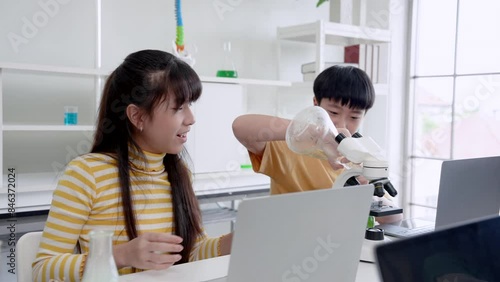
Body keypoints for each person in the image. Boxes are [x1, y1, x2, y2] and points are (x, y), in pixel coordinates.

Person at [33, 50, 232, 282]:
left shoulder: (178, 173)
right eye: (178, 108)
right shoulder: (86, 174)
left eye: (189, 105)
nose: (191, 118)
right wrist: (121, 255)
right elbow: (42, 269)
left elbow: (192, 252)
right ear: (137, 117)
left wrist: (233, 242)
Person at [232, 65, 402, 224]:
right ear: (316, 104)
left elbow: (393, 218)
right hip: (290, 240)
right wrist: (315, 130)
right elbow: (241, 127)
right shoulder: (291, 145)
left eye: (355, 117)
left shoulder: (362, 154)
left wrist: (368, 191)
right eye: (334, 112)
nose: (342, 123)